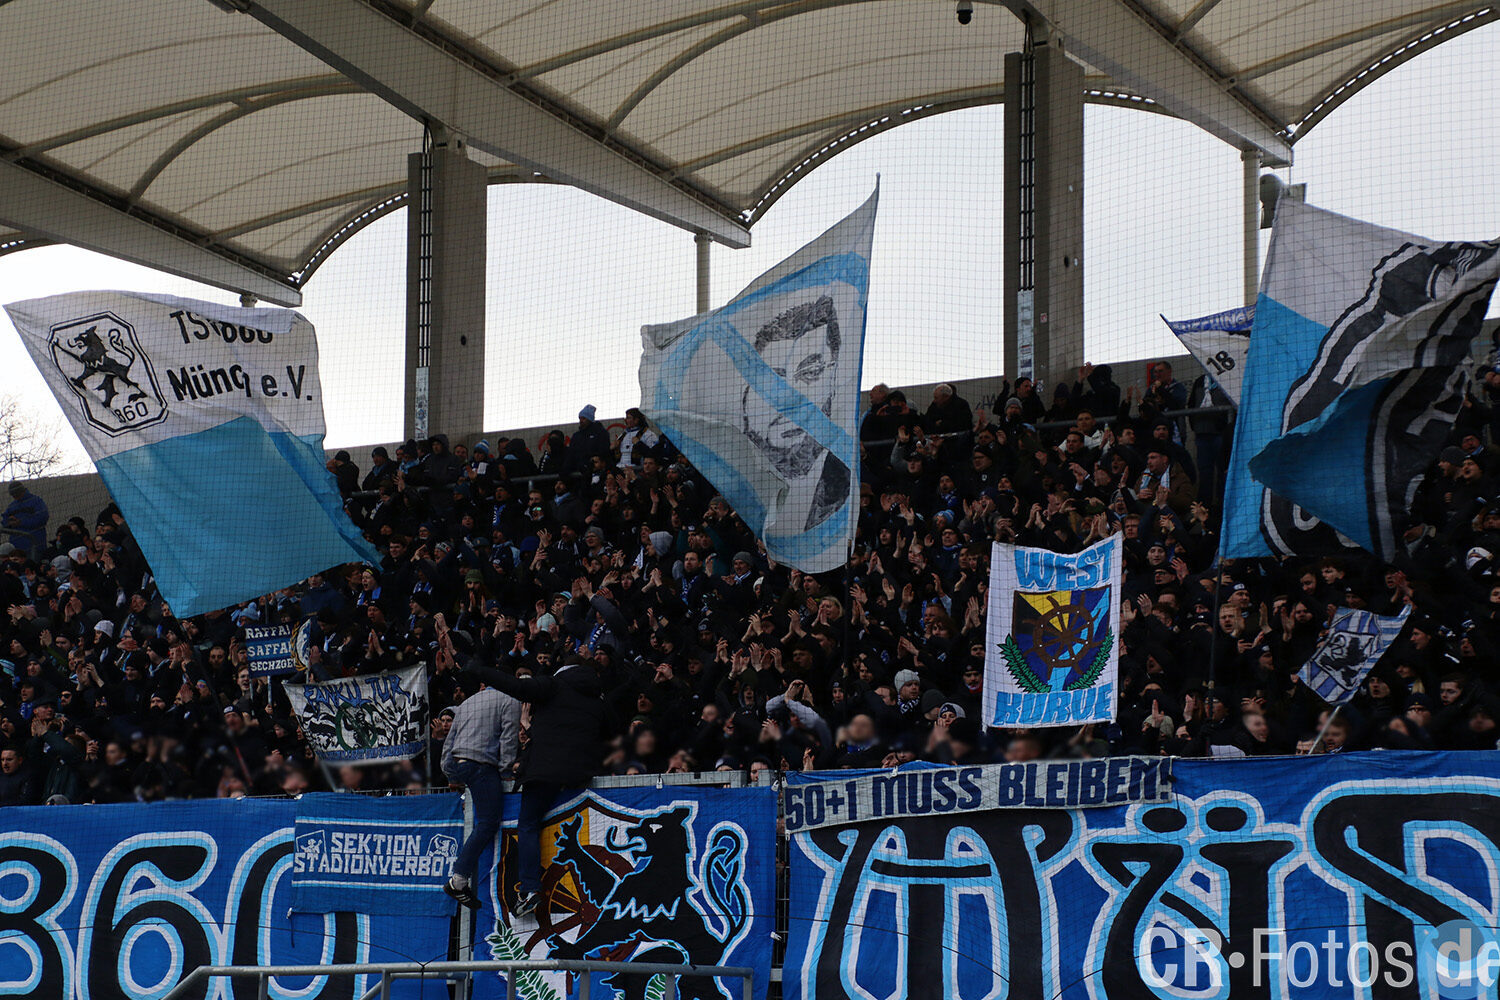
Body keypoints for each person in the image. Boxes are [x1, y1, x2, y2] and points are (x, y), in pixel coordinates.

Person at [463, 652, 606, 916]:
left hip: (544, 772)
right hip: (579, 776)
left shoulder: (554, 684)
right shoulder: (596, 699)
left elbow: (518, 688)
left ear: (563, 667)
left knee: (528, 824)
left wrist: (479, 669)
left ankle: (529, 890)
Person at [740, 295, 850, 531]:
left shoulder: (847, 485)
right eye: (772, 382)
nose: (790, 398)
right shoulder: (733, 484)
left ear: (833, 380)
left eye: (810, 373)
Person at [441, 670, 522, 910]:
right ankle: (458, 879)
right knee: (487, 823)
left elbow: (449, 742)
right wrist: (506, 770)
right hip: (481, 766)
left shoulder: (467, 703)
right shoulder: (510, 700)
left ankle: (461, 878)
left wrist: (450, 772)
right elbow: (509, 739)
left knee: (483, 821)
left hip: (460, 764)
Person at [3, 483, 47, 560]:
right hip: (16, 548)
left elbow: (42, 518)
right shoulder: (12, 506)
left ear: (21, 491)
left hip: (34, 546)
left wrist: (20, 522)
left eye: (16, 494)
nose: (15, 497)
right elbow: (4, 521)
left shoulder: (36, 501)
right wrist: (9, 522)